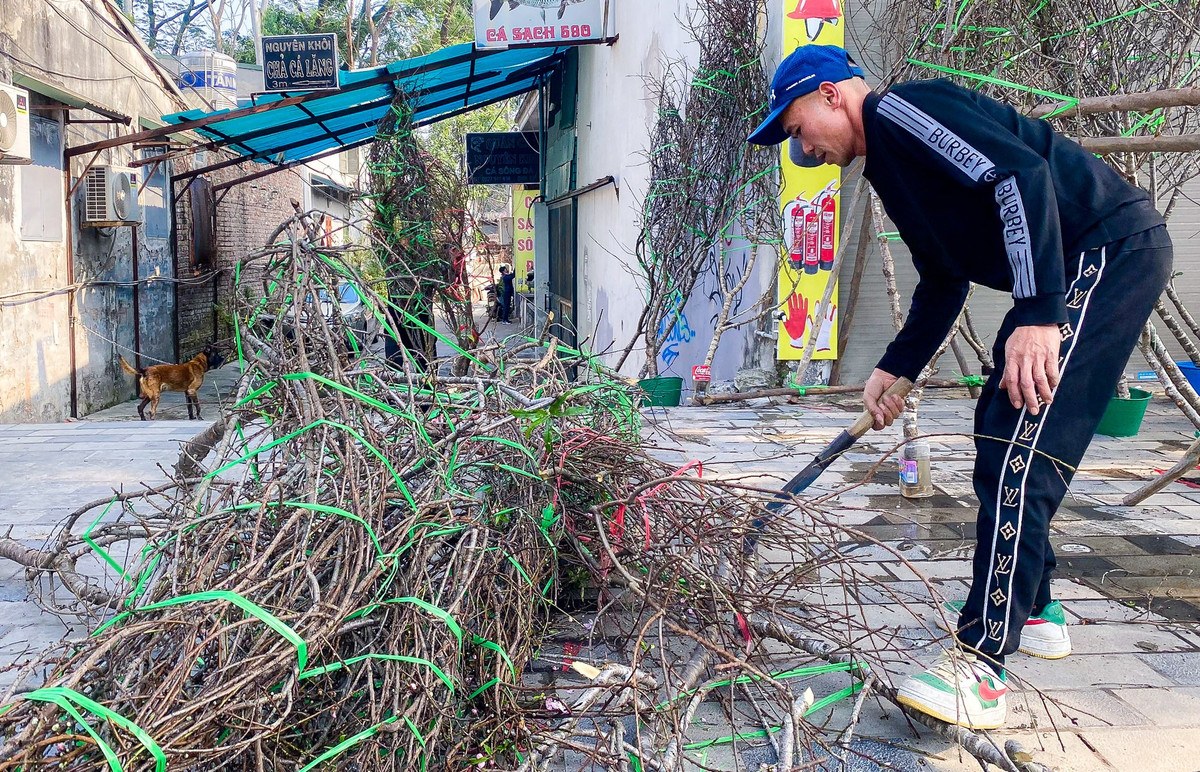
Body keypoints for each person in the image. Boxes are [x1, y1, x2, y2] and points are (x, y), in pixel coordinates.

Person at [748, 44, 1172, 729]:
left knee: (1019, 443)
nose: (802, 150)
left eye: (796, 129)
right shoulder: (890, 165)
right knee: (996, 426)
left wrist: (1037, 313)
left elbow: (1018, 177)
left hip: (1109, 248)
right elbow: (944, 278)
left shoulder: (904, 111)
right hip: (1078, 260)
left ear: (830, 95)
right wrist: (897, 368)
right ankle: (1034, 606)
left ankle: (980, 665)